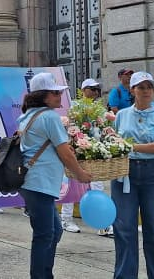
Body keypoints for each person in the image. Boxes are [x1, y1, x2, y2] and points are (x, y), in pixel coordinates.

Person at [17, 72, 91, 279]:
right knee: (44, 235)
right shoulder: (49, 117)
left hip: (34, 183)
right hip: (38, 183)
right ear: (42, 95)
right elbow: (65, 153)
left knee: (54, 232)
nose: (59, 96)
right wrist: (80, 174)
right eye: (55, 93)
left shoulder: (27, 115)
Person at [110, 72, 154, 279]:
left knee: (153, 232)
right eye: (141, 87)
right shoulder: (121, 115)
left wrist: (130, 146)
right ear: (132, 90)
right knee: (123, 229)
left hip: (153, 175)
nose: (146, 91)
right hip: (124, 174)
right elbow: (115, 142)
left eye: (149, 87)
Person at [59, 78, 106, 235]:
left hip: (94, 151)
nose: (95, 92)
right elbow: (67, 126)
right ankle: (66, 219)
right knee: (72, 186)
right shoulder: (74, 106)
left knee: (97, 185)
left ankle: (102, 222)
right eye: (92, 89)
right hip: (76, 152)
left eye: (97, 89)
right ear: (84, 90)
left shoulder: (99, 108)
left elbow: (102, 127)